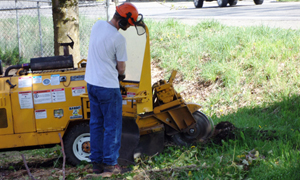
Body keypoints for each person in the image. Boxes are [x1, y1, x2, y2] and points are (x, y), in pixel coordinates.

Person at [84, 2, 140, 175]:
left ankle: (96, 164)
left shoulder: (98, 25)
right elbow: (121, 69)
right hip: (108, 87)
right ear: (123, 22)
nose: (126, 29)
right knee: (112, 126)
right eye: (128, 25)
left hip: (91, 83)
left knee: (96, 124)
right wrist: (120, 77)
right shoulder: (118, 39)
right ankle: (110, 164)